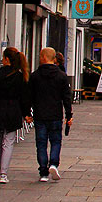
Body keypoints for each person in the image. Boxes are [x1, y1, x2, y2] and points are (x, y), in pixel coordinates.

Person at [0, 47, 30, 184]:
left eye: (3, 58)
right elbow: (24, 98)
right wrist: (26, 114)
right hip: (13, 111)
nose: (2, 60)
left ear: (7, 59)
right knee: (8, 142)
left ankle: (1, 167)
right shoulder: (20, 76)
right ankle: (4, 172)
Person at [28, 47, 73, 182]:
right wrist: (69, 115)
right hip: (55, 114)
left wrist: (26, 113)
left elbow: (29, 96)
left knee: (41, 143)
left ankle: (43, 171)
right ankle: (53, 164)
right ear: (54, 59)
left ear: (42, 57)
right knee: (56, 141)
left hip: (40, 115)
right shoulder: (61, 76)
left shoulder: (35, 76)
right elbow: (66, 97)